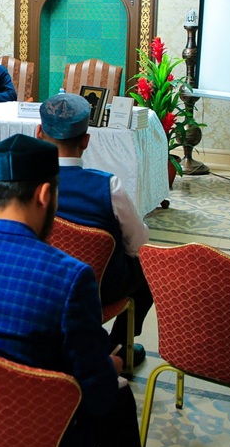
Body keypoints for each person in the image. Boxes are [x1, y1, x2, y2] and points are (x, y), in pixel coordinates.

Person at [0, 134, 143, 447]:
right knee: (117, 395)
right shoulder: (69, 276)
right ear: (45, 195)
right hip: (36, 434)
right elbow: (96, 389)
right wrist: (111, 366)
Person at [37, 92, 151, 364]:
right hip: (96, 292)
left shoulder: (23, 181)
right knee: (147, 266)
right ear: (86, 141)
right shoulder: (108, 186)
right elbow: (139, 244)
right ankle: (118, 346)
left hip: (38, 288)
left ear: (39, 133)